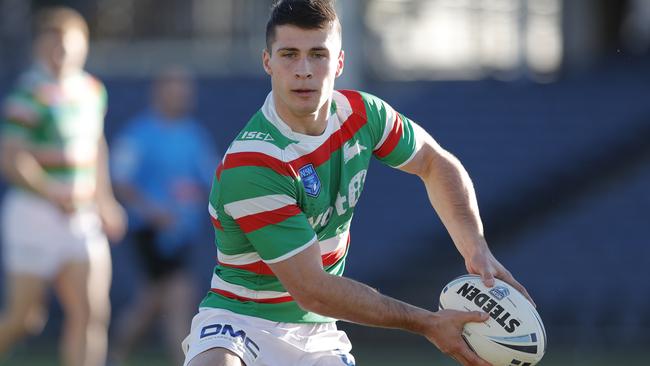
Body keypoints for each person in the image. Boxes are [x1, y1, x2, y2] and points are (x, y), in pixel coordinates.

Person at [182, 1, 534, 365]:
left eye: (318, 54)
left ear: (339, 63)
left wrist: (475, 246)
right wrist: (427, 323)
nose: (303, 70)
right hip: (240, 320)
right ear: (267, 62)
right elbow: (313, 290)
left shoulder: (363, 115)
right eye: (289, 54)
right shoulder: (254, 161)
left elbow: (435, 161)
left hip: (317, 332)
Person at [0, 6, 126, 366]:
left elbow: (96, 147)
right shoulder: (29, 92)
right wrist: (51, 192)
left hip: (81, 217)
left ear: (83, 45)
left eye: (68, 43)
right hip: (34, 214)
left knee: (91, 312)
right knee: (24, 319)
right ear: (40, 46)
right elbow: (11, 158)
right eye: (53, 43)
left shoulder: (91, 90)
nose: (61, 51)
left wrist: (105, 201)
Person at [108, 66, 219, 366]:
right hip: (150, 232)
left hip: (182, 234)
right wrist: (153, 212)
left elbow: (211, 180)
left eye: (184, 90)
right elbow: (120, 180)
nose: (180, 96)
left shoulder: (194, 135)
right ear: (159, 92)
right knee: (179, 299)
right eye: (174, 89)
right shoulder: (139, 133)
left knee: (151, 303)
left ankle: (114, 355)